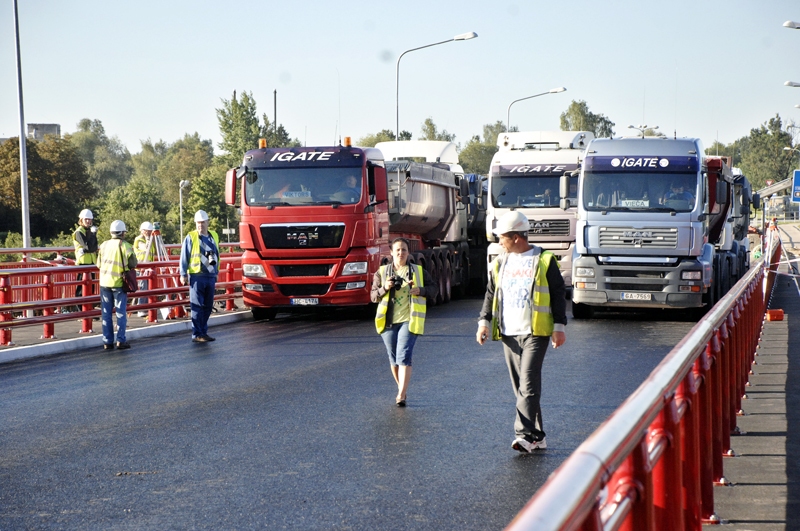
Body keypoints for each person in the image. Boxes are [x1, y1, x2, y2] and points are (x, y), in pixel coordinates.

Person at [476, 210, 567, 453]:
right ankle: (537, 435)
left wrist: (559, 327)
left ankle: (523, 435)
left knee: (528, 382)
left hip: (536, 331)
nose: (499, 242)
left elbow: (558, 294)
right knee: (521, 388)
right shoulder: (500, 262)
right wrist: (483, 322)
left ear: (516, 237)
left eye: (502, 237)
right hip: (508, 331)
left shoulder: (544, 259)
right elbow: (490, 293)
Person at [370, 238, 438, 406]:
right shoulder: (382, 272)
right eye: (398, 250)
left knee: (403, 355)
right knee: (393, 359)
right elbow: (373, 296)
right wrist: (384, 288)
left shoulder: (418, 271)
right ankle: (402, 387)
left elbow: (434, 289)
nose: (401, 253)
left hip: (410, 319)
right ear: (391, 253)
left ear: (409, 253)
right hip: (387, 322)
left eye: (404, 250)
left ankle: (401, 394)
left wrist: (420, 290)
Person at [179, 210, 220, 343]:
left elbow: (215, 255)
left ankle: (203, 331)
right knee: (197, 306)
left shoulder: (213, 236)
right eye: (198, 223)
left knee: (208, 306)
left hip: (210, 275)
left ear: (207, 222)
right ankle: (197, 334)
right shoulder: (191, 237)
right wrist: (183, 273)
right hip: (197, 276)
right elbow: (184, 256)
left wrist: (216, 272)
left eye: (202, 222)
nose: (200, 225)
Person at [97, 220, 137, 350]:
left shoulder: (103, 245)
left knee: (106, 314)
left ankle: (107, 341)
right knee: (120, 313)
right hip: (119, 283)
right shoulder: (125, 245)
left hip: (104, 283)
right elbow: (133, 263)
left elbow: (98, 264)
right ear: (123, 233)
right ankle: (121, 340)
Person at [72, 209, 98, 299]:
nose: (88, 221)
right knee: (81, 289)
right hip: (82, 263)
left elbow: (94, 247)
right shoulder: (78, 232)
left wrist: (86, 249)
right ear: (81, 220)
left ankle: (89, 309)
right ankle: (80, 310)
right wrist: (93, 234)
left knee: (91, 288)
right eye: (86, 219)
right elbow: (89, 247)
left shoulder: (89, 231)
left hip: (91, 263)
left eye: (90, 219)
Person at [133, 222, 156, 317]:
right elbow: (146, 248)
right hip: (141, 268)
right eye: (147, 231)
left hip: (148, 268)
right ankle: (141, 308)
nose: (149, 233)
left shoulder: (151, 240)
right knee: (143, 288)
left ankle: (146, 306)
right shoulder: (139, 240)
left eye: (150, 231)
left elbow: (154, 251)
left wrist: (153, 239)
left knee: (148, 288)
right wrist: (147, 239)